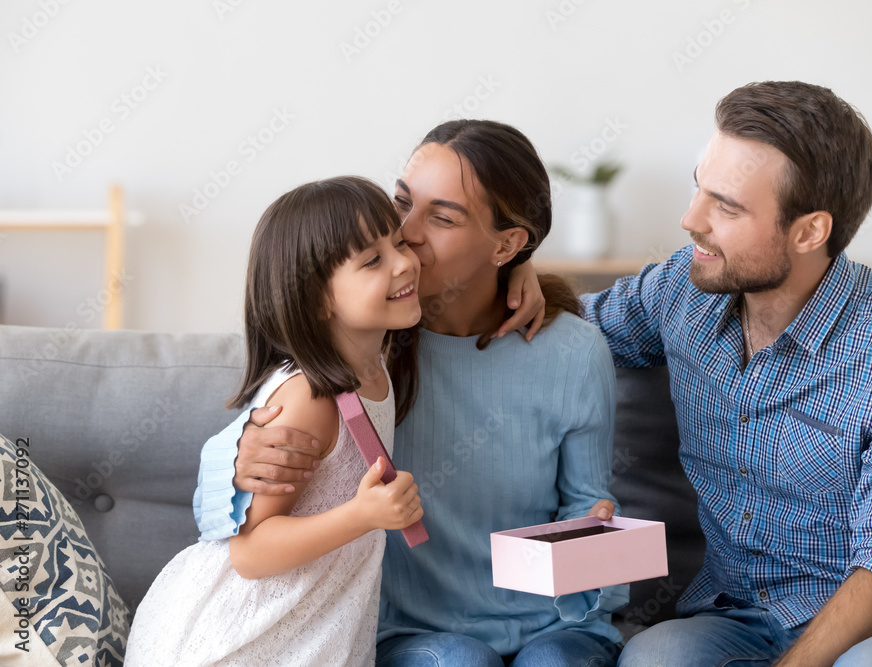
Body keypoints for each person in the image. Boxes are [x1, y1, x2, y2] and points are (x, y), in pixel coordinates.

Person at [192, 120, 627, 666]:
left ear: (508, 244)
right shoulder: (371, 342)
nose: (407, 234)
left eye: (442, 218)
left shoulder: (575, 352)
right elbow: (238, 520)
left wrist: (593, 536)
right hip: (410, 630)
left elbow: (589, 505)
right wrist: (236, 453)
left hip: (554, 626)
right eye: (401, 203)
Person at [578, 81, 872, 666]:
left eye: (727, 207)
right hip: (732, 615)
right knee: (654, 658)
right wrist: (517, 284)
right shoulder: (680, 292)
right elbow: (567, 331)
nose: (690, 220)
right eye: (698, 188)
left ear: (810, 231)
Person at [125, 176, 425, 665]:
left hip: (300, 630)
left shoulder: (375, 360)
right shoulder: (309, 399)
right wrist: (362, 516)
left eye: (400, 243)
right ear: (318, 299)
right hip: (236, 640)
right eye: (373, 260)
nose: (405, 263)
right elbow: (250, 553)